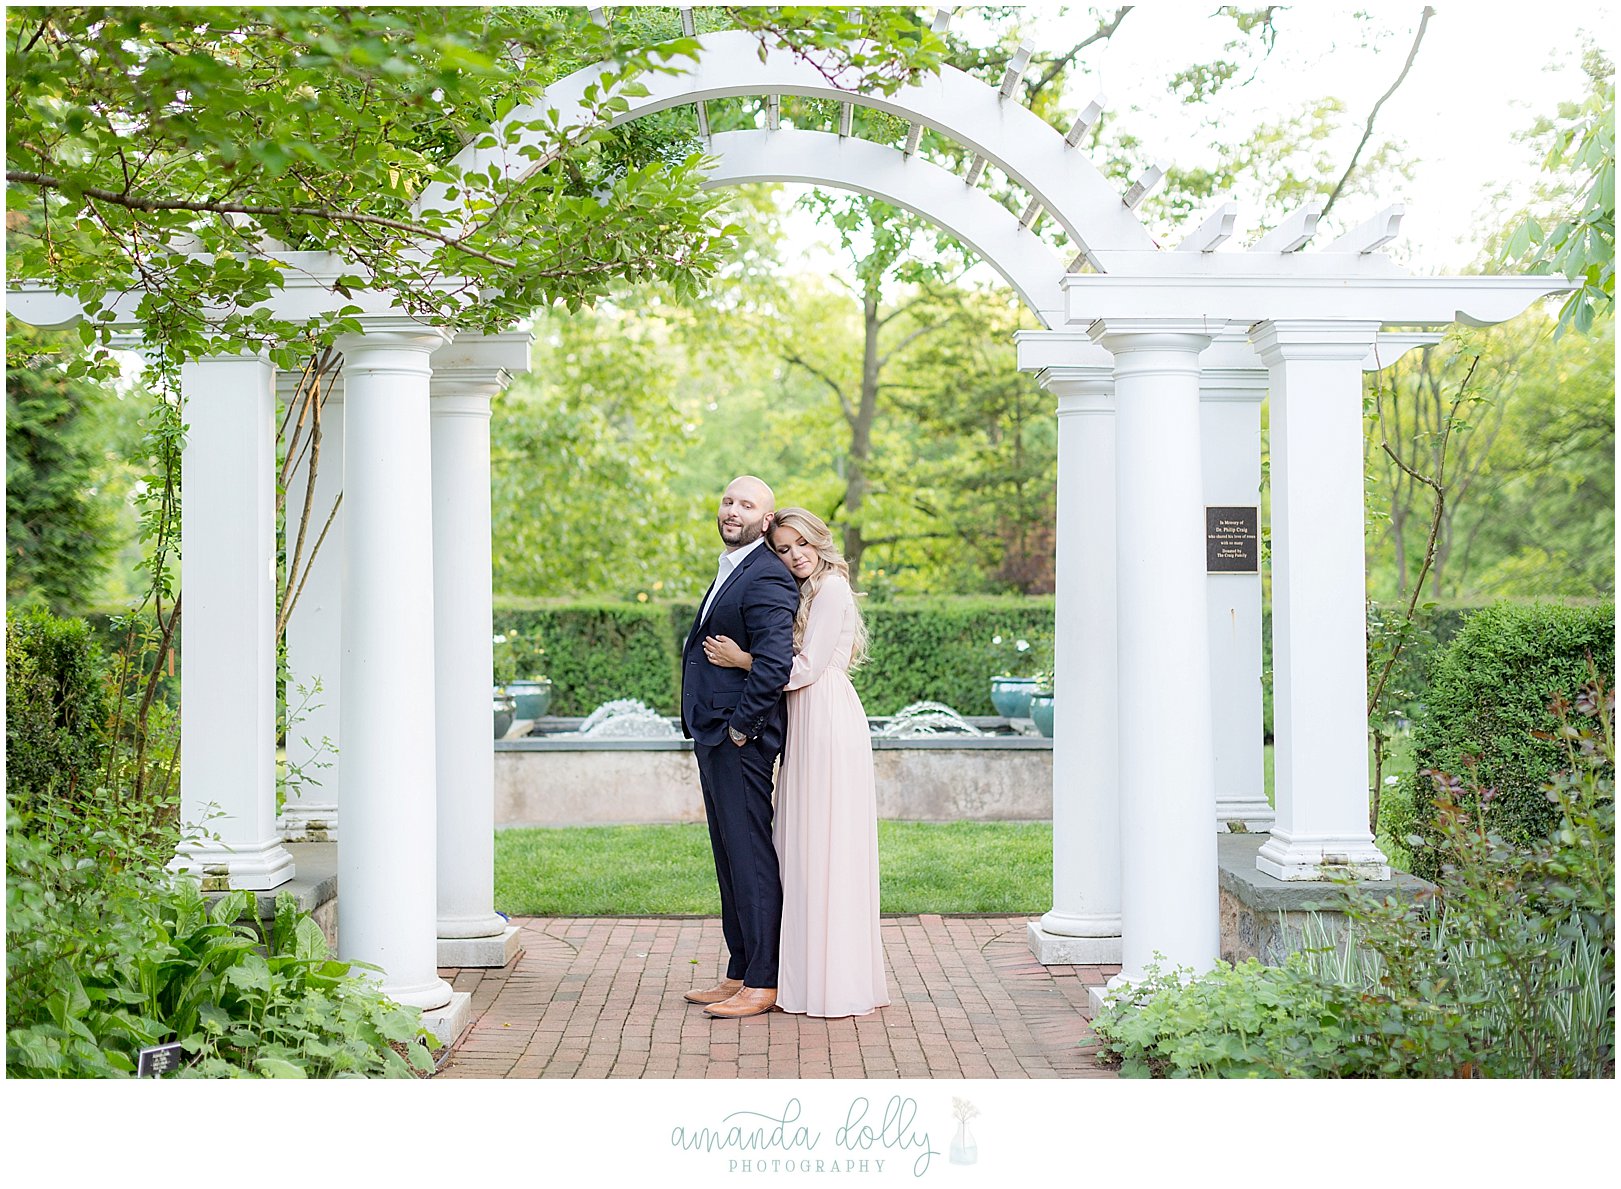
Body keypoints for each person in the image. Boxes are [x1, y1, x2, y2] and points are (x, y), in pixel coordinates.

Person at [703, 508, 890, 1018]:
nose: (795, 555)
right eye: (783, 549)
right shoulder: (809, 590)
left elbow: (804, 667)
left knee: (824, 841)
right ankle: (795, 972)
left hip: (825, 715)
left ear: (820, 542)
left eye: (802, 544)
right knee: (802, 845)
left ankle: (830, 978)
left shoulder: (830, 589)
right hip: (805, 717)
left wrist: (745, 660)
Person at [679, 476, 800, 1019]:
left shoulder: (767, 577)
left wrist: (740, 730)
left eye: (747, 505)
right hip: (715, 733)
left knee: (750, 856)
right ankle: (738, 970)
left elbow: (774, 665)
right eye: (728, 500)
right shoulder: (733, 568)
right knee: (729, 855)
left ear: (766, 520)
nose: (733, 510)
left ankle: (763, 981)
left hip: (738, 738)